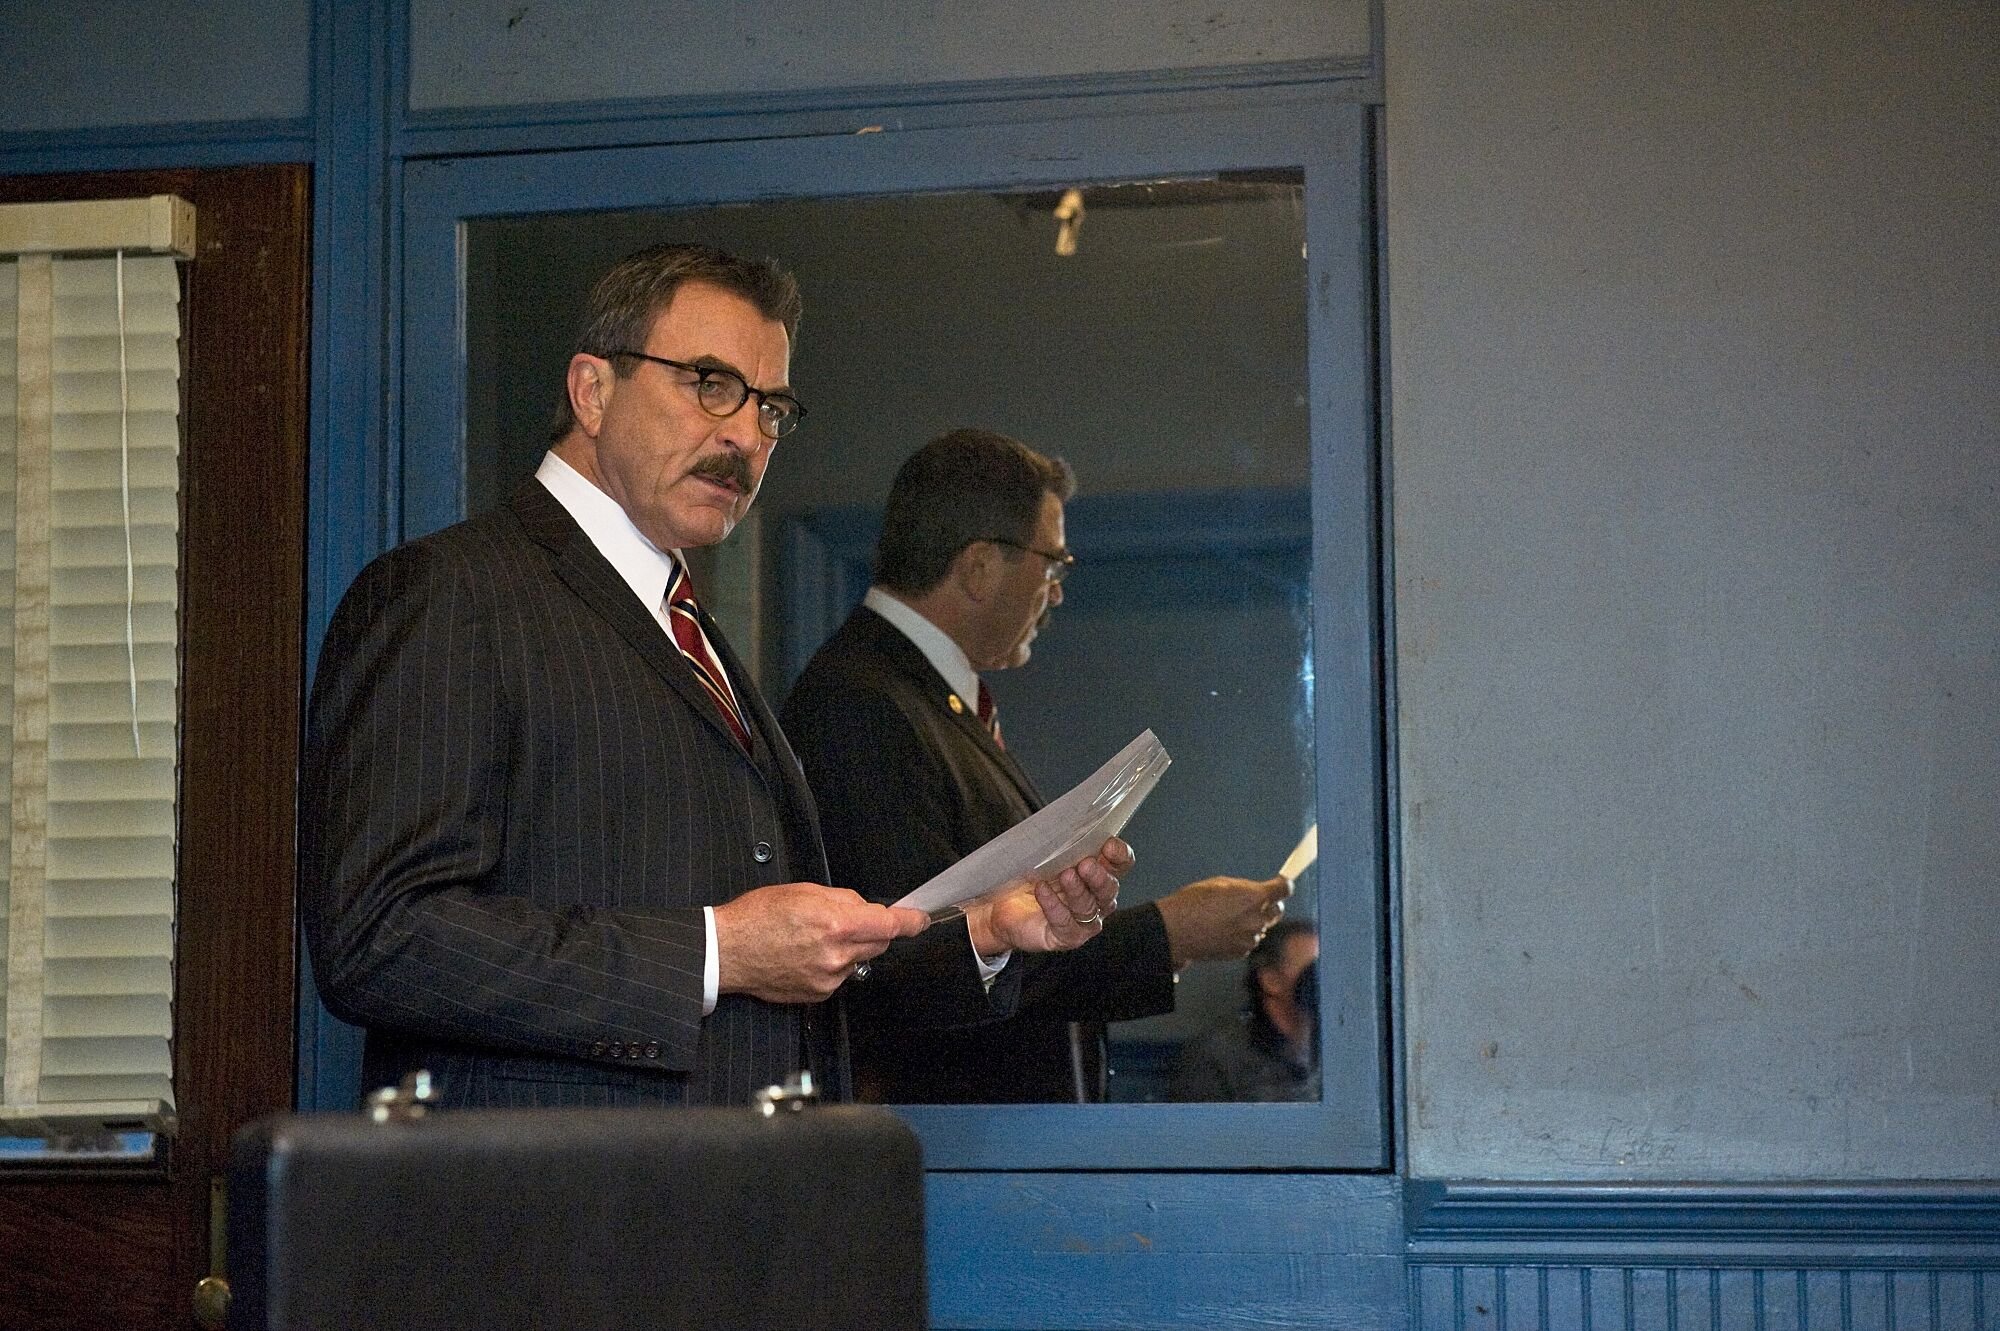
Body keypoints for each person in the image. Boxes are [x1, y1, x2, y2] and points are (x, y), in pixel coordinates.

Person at [300, 245, 1127, 1109]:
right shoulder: (453, 593)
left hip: (732, 1204)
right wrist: (716, 951)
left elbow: (791, 969)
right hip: (557, 1218)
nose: (743, 435)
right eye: (707, 382)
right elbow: (378, 937)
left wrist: (987, 933)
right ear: (592, 391)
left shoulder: (689, 626)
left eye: (770, 407)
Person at [780, 428, 1290, 1103]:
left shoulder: (927, 699)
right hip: (950, 1147)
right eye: (1054, 564)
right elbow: (913, 960)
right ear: (981, 566)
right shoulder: (858, 701)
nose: (1055, 593)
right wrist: (1166, 931)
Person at [1168, 920, 1320, 1102]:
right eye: (1313, 971)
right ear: (1271, 980)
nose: (1322, 981)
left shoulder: (1336, 1048)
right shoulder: (1217, 1056)